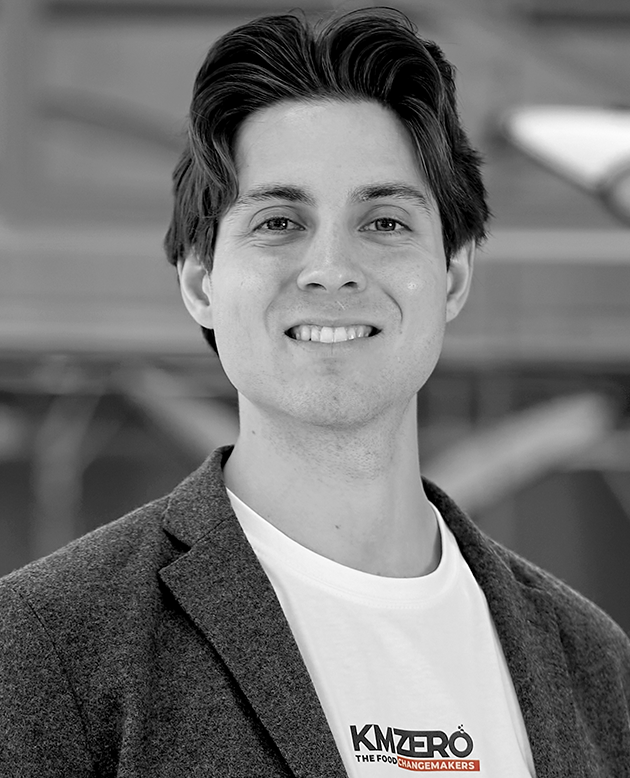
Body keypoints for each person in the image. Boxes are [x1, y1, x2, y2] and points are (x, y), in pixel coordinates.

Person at [1, 7, 629, 777]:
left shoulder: (593, 662)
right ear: (200, 282)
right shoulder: (49, 644)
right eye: (277, 221)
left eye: (386, 221)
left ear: (454, 275)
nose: (331, 267)